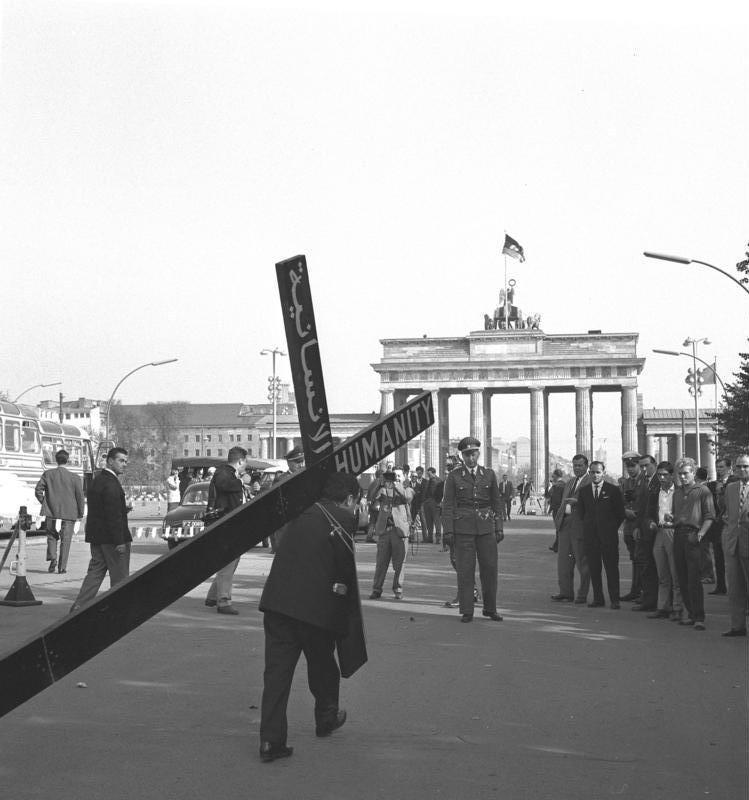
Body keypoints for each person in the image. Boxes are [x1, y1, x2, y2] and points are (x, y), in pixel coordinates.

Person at [258, 472, 359, 762]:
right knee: (324, 667)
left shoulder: (302, 512)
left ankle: (270, 742)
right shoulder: (342, 519)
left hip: (277, 604)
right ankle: (326, 717)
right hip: (314, 611)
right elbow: (343, 573)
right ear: (350, 499)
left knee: (276, 676)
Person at [441, 437, 504, 623]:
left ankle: (490, 609)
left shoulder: (489, 474)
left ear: (478, 453)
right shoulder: (454, 476)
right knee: (465, 570)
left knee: (490, 569)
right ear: (462, 456)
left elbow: (496, 503)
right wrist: (448, 531)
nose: (470, 458)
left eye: (473, 453)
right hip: (463, 528)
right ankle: (467, 610)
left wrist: (499, 527)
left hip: (486, 528)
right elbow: (448, 506)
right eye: (467, 454)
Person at [70, 447, 131, 612]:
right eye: (121, 460)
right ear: (110, 461)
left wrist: (123, 509)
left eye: (126, 461)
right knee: (120, 577)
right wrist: (119, 541)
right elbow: (112, 516)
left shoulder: (98, 480)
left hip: (97, 538)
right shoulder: (111, 484)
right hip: (112, 540)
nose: (124, 464)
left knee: (95, 573)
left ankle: (79, 606)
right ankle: (119, 610)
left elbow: (102, 510)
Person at [672, 457, 715, 631]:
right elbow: (677, 515)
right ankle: (690, 614)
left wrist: (700, 534)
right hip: (678, 534)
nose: (682, 477)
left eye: (685, 473)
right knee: (681, 578)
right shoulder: (677, 493)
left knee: (693, 579)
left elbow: (710, 516)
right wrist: (672, 519)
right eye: (680, 474)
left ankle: (699, 617)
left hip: (694, 535)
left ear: (693, 473)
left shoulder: (703, 491)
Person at [204, 446, 248, 615]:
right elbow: (225, 485)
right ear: (240, 461)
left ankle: (213, 596)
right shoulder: (225, 473)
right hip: (225, 525)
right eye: (245, 463)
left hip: (227, 524)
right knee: (228, 562)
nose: (245, 467)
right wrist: (242, 481)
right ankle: (223, 601)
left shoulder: (226, 473)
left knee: (228, 561)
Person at [577, 461, 626, 609]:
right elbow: (581, 513)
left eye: (598, 472)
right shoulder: (584, 491)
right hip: (591, 537)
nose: (595, 475)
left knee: (611, 568)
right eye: (592, 472)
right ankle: (598, 599)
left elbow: (620, 514)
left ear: (603, 472)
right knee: (594, 568)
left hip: (608, 537)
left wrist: (610, 528)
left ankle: (615, 599)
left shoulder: (613, 490)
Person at [34, 449, 85, 575]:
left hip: (51, 513)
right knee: (65, 541)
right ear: (67, 460)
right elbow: (80, 497)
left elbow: (38, 491)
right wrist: (80, 513)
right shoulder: (75, 478)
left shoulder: (48, 474)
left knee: (51, 537)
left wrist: (45, 503)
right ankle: (62, 567)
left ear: (56, 460)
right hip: (69, 514)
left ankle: (53, 559)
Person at [645, 461, 683, 621]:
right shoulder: (654, 492)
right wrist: (650, 522)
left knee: (675, 573)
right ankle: (663, 607)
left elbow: (686, 513)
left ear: (672, 475)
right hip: (659, 532)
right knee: (662, 573)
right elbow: (647, 514)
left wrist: (675, 518)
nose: (661, 478)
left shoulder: (680, 492)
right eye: (659, 474)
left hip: (674, 531)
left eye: (664, 475)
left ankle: (677, 608)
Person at [552, 454, 591, 604]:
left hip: (580, 525)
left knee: (582, 562)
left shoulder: (590, 481)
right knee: (564, 562)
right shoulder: (569, 482)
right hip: (565, 525)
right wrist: (558, 521)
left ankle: (582, 594)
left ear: (586, 466)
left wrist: (578, 502)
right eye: (575, 465)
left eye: (580, 465)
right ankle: (565, 592)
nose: (577, 468)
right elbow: (563, 503)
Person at [369, 467, 413, 600]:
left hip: (399, 532)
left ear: (403, 477)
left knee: (400, 564)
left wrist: (397, 485)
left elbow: (407, 498)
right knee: (381, 563)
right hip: (384, 531)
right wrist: (379, 482)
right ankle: (377, 589)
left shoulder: (407, 489)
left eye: (397, 476)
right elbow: (371, 498)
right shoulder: (382, 491)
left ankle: (398, 589)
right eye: (391, 477)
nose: (393, 479)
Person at [720, 453, 749, 637]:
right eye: (739, 466)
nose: (742, 470)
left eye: (746, 466)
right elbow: (728, 515)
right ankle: (737, 626)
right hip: (732, 544)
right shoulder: (730, 488)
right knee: (735, 587)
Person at [631, 454, 660, 612]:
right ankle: (648, 598)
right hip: (643, 529)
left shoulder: (660, 479)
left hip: (656, 529)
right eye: (641, 466)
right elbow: (639, 506)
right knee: (645, 564)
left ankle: (654, 601)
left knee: (653, 566)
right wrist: (636, 526)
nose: (643, 469)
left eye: (646, 465)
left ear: (654, 464)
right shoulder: (642, 480)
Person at [705, 457, 736, 596]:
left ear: (729, 468)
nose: (718, 469)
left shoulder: (734, 482)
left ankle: (735, 588)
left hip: (730, 526)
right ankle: (721, 586)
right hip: (717, 526)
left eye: (722, 467)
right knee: (718, 557)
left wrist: (723, 491)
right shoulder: (712, 485)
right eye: (717, 467)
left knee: (732, 559)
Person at [619, 452, 644, 602]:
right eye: (628, 467)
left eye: (633, 466)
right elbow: (619, 502)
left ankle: (642, 591)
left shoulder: (645, 481)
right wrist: (624, 511)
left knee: (641, 559)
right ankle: (635, 590)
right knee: (635, 559)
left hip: (640, 525)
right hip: (629, 526)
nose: (630, 469)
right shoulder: (625, 483)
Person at [422, 467, 444, 545]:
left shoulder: (439, 481)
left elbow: (441, 492)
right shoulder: (428, 481)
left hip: (435, 502)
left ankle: (438, 538)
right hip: (427, 502)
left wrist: (439, 502)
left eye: (429, 473)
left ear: (433, 472)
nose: (428, 475)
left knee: (436, 520)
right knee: (428, 521)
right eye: (427, 473)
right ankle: (430, 537)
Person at [547, 468, 566, 552]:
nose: (552, 477)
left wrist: (551, 508)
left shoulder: (557, 486)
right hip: (562, 509)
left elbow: (550, 496)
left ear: (556, 476)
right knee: (559, 528)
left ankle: (558, 546)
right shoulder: (565, 484)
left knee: (558, 528)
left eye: (553, 476)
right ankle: (557, 545)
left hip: (557, 509)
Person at [410, 466, 428, 541]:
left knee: (423, 521)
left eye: (415, 476)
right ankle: (411, 537)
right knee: (411, 521)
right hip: (411, 506)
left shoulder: (421, 484)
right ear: (411, 477)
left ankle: (425, 538)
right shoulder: (407, 484)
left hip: (419, 505)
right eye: (413, 476)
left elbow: (423, 495)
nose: (414, 477)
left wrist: (421, 505)